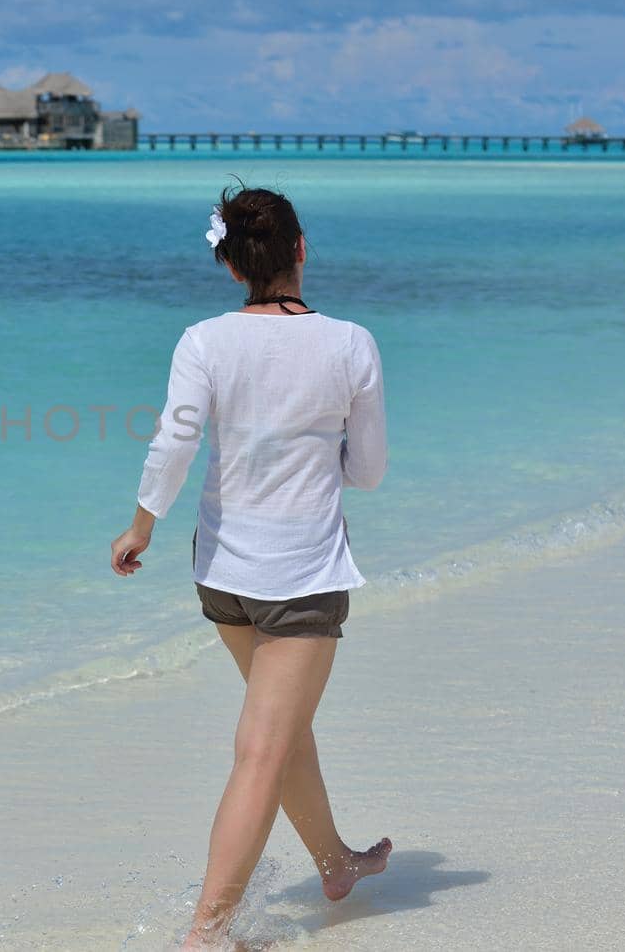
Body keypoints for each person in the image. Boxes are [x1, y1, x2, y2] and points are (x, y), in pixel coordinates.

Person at [109, 184, 391, 948]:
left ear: (232, 267)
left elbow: (173, 445)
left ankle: (336, 863)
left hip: (223, 574)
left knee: (281, 730)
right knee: (264, 747)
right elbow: (367, 473)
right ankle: (206, 934)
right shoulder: (350, 343)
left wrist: (142, 528)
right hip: (302, 577)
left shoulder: (203, 340)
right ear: (301, 251)